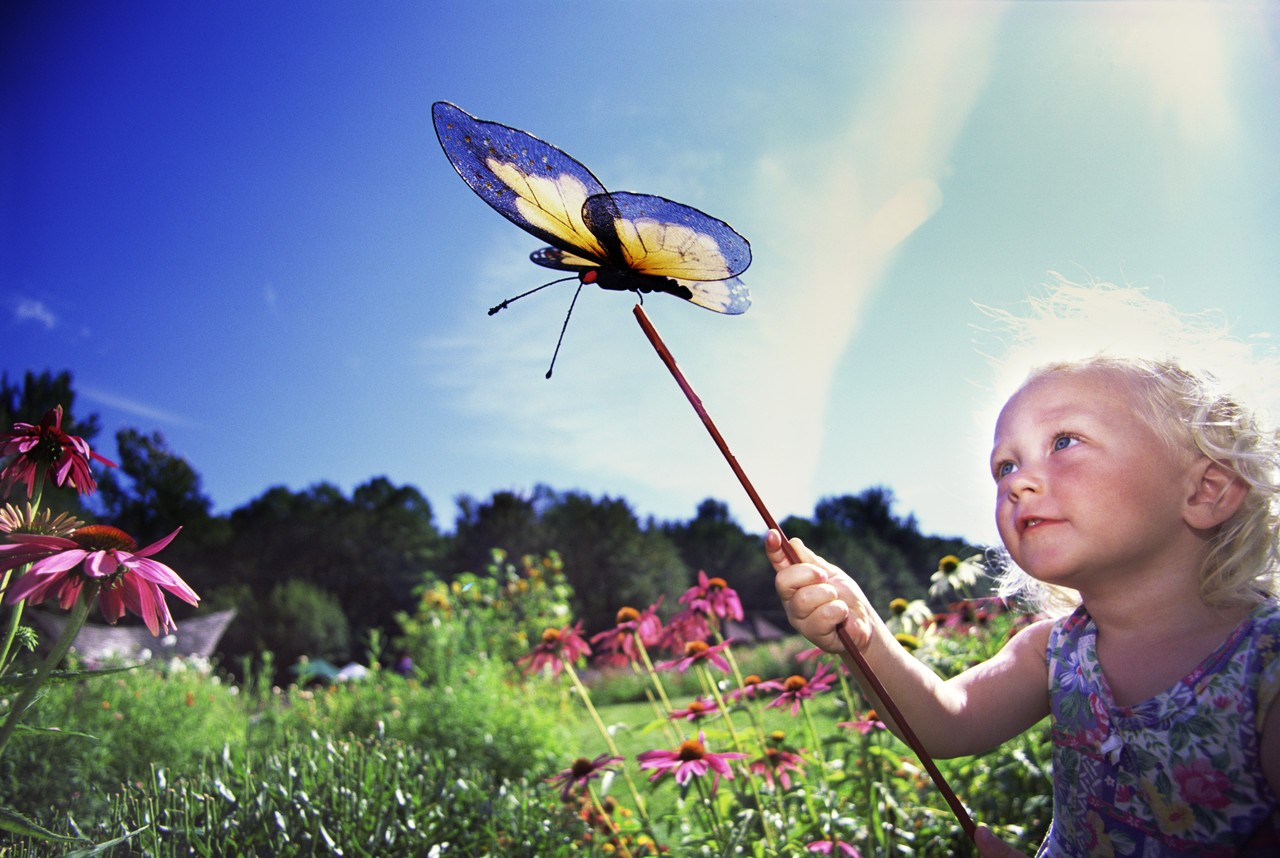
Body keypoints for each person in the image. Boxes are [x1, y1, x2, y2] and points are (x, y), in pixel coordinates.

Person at [767, 282, 1280, 856]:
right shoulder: (1055, 651)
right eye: (1004, 465)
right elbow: (945, 721)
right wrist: (864, 633)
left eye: (1064, 441)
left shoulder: (1263, 663)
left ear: (1207, 490)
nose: (1016, 480)